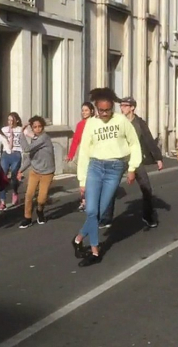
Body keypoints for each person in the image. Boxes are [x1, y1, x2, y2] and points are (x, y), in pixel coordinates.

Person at [72, 88, 142, 267]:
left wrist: (132, 167)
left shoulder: (121, 121)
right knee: (91, 212)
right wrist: (82, 180)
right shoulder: (91, 124)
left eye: (107, 110)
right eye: (100, 110)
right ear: (96, 108)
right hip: (95, 167)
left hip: (115, 168)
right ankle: (95, 251)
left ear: (113, 107)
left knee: (101, 211)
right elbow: (84, 152)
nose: (104, 113)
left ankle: (78, 238)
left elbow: (134, 144)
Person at [101, 96, 163, 228]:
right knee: (111, 187)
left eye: (125, 105)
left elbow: (149, 140)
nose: (122, 108)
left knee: (146, 187)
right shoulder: (116, 121)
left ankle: (148, 216)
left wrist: (158, 158)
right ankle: (106, 218)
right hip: (119, 158)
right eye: (121, 105)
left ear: (132, 108)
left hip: (136, 159)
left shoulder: (139, 123)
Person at [17, 116, 55, 228]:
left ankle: (39, 211)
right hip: (35, 171)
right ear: (32, 129)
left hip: (47, 172)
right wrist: (20, 170)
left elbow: (27, 149)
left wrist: (21, 133)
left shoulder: (44, 138)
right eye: (35, 127)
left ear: (43, 127)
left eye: (39, 126)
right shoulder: (35, 140)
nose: (37, 129)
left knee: (41, 198)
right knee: (29, 195)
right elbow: (30, 157)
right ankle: (27, 218)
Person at [66, 102, 95, 211]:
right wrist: (70, 155)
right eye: (82, 110)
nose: (84, 112)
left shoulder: (96, 122)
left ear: (92, 111)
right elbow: (75, 141)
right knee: (82, 176)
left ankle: (93, 199)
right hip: (83, 154)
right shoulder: (80, 124)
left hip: (95, 153)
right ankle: (83, 201)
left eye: (86, 110)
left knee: (93, 177)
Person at [0, 112, 25, 210]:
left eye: (12, 120)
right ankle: (2, 202)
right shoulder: (4, 130)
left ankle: (15, 193)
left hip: (16, 154)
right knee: (2, 177)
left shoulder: (20, 129)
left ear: (17, 120)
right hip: (5, 154)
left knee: (13, 177)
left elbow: (30, 135)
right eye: (9, 120)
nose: (10, 122)